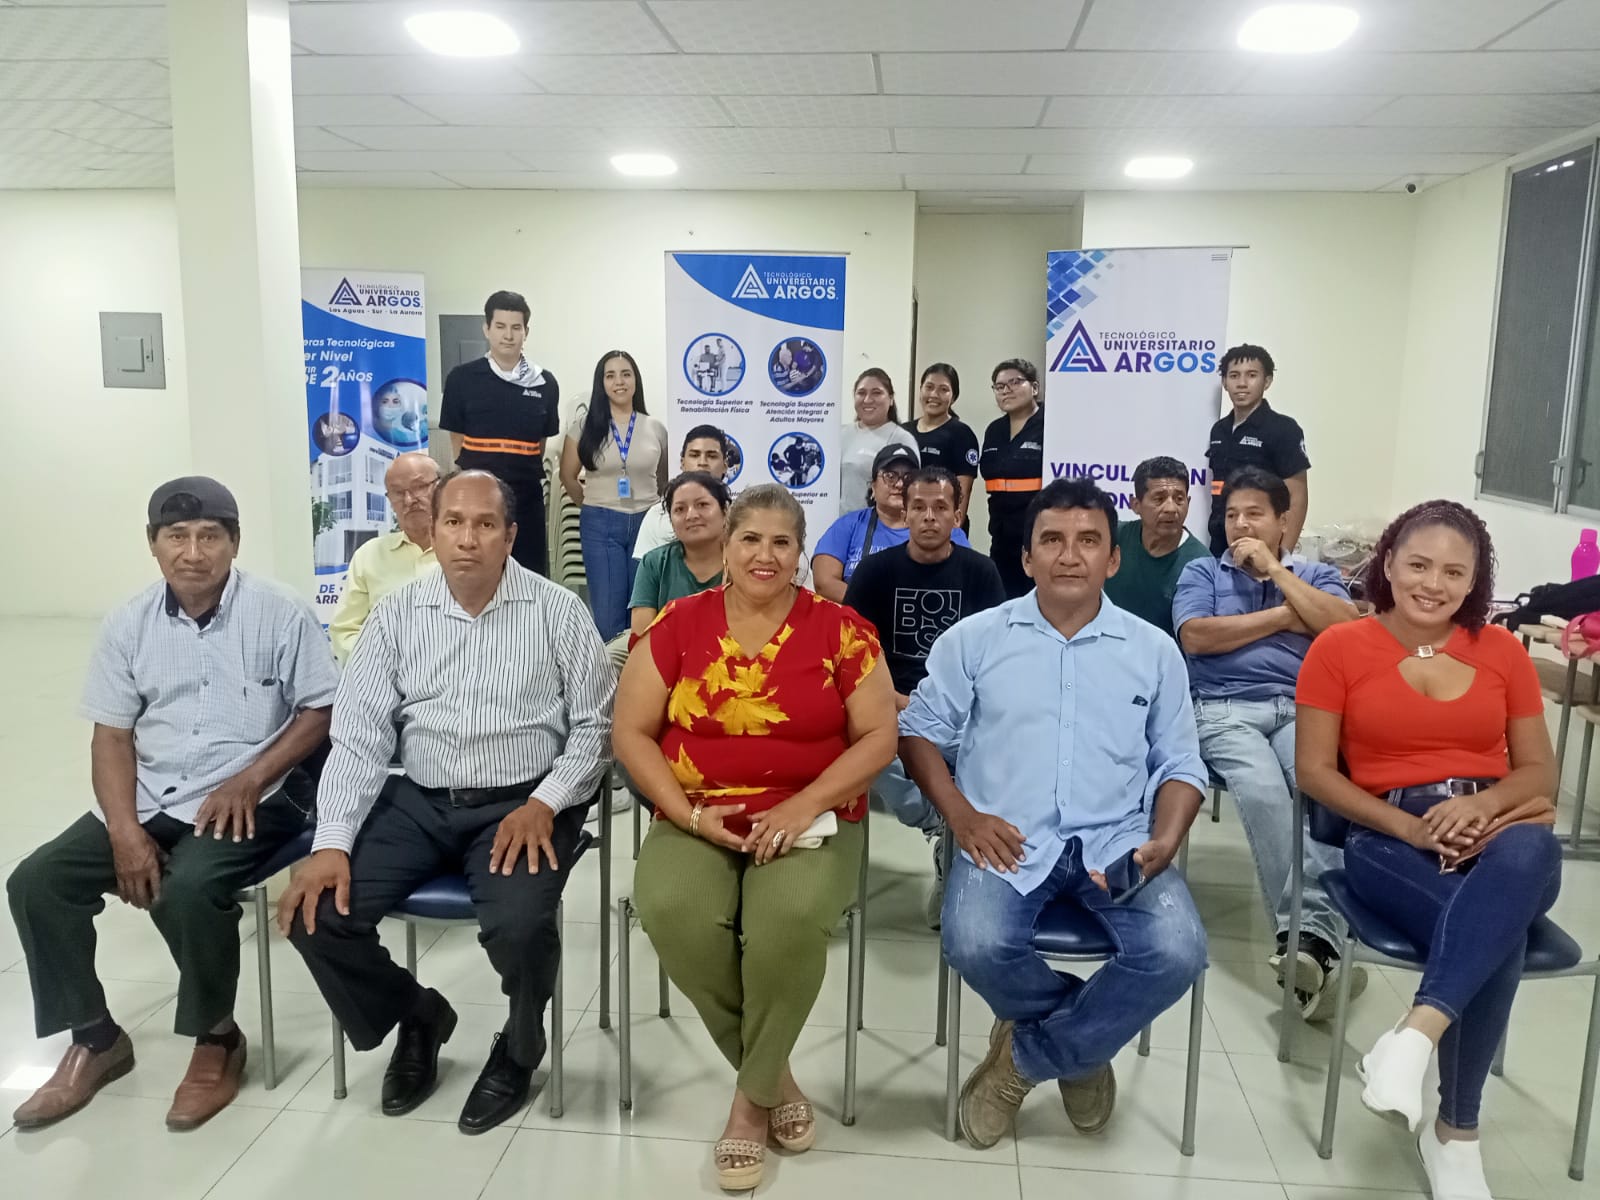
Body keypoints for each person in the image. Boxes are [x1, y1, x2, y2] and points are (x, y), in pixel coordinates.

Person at [280, 470, 613, 1136]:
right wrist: (331, 842)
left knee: (520, 927)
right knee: (316, 916)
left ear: (510, 536)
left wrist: (547, 801)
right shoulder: (397, 615)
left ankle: (519, 1049)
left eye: (485, 524)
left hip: (522, 803)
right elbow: (359, 735)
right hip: (419, 797)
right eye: (453, 523)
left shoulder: (557, 611)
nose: (468, 539)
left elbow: (595, 728)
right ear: (431, 532)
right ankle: (418, 1015)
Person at [8, 477, 337, 1132]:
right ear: (153, 544)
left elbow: (319, 711)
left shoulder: (281, 611)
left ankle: (218, 1038)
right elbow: (111, 736)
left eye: (210, 536)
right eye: (177, 537)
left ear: (234, 542)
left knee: (187, 889)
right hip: (155, 790)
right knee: (38, 882)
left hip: (260, 793)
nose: (193, 552)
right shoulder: (127, 623)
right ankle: (96, 1038)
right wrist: (124, 831)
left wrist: (251, 777)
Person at [900, 477, 1208, 1149]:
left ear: (1113, 558)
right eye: (1053, 541)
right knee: (974, 942)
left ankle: (1026, 1057)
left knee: (1178, 951)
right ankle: (1084, 1048)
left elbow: (1182, 762)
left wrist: (1166, 838)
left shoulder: (1153, 650)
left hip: (1119, 838)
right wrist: (961, 816)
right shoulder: (975, 640)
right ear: (1026, 556)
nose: (1070, 555)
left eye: (1089, 540)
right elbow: (918, 733)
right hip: (1004, 834)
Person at [614, 484, 898, 1191]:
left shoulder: (842, 631)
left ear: (801, 553)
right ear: (726, 546)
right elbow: (631, 732)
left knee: (787, 922)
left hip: (811, 815)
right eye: (750, 539)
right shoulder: (677, 624)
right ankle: (773, 1075)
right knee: (672, 909)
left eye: (781, 541)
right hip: (697, 811)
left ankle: (748, 1105)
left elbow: (879, 736)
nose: (764, 555)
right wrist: (687, 816)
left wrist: (803, 805)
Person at [1296, 500, 1560, 1200]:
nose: (1433, 584)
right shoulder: (1338, 648)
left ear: (1475, 581)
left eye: (1453, 572)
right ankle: (1456, 1135)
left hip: (1496, 830)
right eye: (1418, 565)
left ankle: (1413, 1037)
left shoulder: (1502, 651)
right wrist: (1411, 828)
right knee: (1496, 930)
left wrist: (1482, 806)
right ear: (1387, 563)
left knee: (1530, 857)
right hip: (1389, 835)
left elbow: (1539, 772)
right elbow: (1314, 772)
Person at [1173, 466, 1361, 1018]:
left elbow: (1346, 630)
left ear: (1283, 522)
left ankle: (1310, 946)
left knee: (1323, 793)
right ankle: (1307, 939)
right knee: (1263, 793)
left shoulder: (1316, 574)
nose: (1240, 525)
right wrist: (1287, 618)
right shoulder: (1202, 572)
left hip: (1303, 710)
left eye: (1254, 514)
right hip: (1224, 708)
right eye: (1231, 515)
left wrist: (1277, 572)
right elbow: (1196, 637)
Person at [844, 466, 1005, 925]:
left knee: (1001, 753)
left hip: (961, 708)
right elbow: (853, 651)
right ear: (904, 512)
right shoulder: (876, 571)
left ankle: (964, 860)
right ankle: (942, 825)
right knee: (869, 750)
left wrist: (951, 707)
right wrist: (897, 700)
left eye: (940, 507)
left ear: (957, 514)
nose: (929, 517)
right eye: (919, 507)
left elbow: (996, 655)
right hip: (891, 702)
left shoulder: (980, 571)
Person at [438, 290, 560, 576]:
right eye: (500, 326)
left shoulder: (544, 383)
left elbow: (539, 444)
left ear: (526, 332)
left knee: (528, 576)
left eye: (516, 327)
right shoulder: (462, 379)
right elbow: (457, 442)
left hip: (526, 499)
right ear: (487, 329)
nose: (508, 335)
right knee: (477, 573)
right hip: (476, 498)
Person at [559, 350, 669, 641]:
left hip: (647, 523)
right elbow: (567, 476)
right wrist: (592, 505)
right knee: (608, 617)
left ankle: (640, 668)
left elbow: (664, 480)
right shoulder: (583, 427)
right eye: (610, 376)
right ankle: (610, 669)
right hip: (600, 524)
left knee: (644, 610)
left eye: (626, 374)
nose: (619, 382)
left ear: (636, 380)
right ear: (601, 383)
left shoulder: (655, 428)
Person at [813, 444, 973, 603]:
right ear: (873, 486)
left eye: (908, 477)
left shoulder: (946, 528)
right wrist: (877, 607)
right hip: (858, 615)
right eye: (890, 476)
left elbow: (965, 583)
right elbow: (824, 583)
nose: (899, 484)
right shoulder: (848, 525)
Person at [329, 451, 441, 665]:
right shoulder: (369, 556)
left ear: (441, 487)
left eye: (419, 487)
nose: (409, 500)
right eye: (398, 492)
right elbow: (345, 631)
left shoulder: (465, 550)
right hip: (384, 677)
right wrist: (380, 665)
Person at [1204, 344, 1310, 555]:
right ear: (1224, 382)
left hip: (1261, 542)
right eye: (1234, 376)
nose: (1242, 383)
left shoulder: (1284, 429)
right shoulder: (1219, 430)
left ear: (1267, 381)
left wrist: (1282, 556)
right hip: (1220, 541)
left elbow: (1297, 498)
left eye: (1251, 375)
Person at [1104, 456, 1209, 639]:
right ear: (1136, 505)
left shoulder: (1200, 563)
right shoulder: (1113, 537)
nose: (1171, 508)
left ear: (1189, 502)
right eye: (1159, 499)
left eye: (1179, 499)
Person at [628, 472, 729, 641]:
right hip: (665, 651)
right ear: (671, 521)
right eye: (680, 509)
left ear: (724, 511)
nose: (692, 515)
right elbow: (640, 638)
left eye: (702, 505)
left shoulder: (742, 561)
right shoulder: (655, 563)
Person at [979, 358, 1045, 600]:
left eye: (1015, 382)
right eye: (999, 386)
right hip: (1001, 536)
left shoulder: (1050, 425)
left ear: (1034, 388)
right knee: (1002, 602)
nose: (1006, 390)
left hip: (1037, 536)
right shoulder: (994, 430)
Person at [632, 424, 730, 562]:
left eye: (712, 456)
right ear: (682, 463)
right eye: (694, 455)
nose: (702, 462)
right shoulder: (657, 515)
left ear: (725, 465)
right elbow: (646, 568)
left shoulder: (740, 515)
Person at [904, 363, 980, 530]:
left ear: (953, 397)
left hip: (942, 525)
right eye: (929, 387)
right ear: (920, 390)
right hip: (907, 523)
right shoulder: (903, 432)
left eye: (943, 390)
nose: (934, 394)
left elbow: (963, 491)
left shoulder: (962, 435)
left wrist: (954, 529)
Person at [839, 368, 919, 514]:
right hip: (839, 522)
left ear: (891, 399)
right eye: (861, 393)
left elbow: (911, 492)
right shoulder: (841, 433)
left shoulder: (901, 439)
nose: (867, 399)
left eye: (876, 393)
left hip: (876, 524)